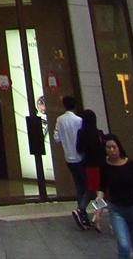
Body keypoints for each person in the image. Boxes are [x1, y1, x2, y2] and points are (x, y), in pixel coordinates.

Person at [92, 134, 133, 259]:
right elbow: (101, 188)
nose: (112, 150)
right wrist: (98, 209)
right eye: (108, 147)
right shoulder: (105, 166)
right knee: (124, 245)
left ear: (119, 147)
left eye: (114, 147)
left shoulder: (130, 164)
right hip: (116, 210)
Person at [52, 95, 88, 228]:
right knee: (87, 186)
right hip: (81, 157)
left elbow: (56, 138)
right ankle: (81, 210)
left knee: (79, 185)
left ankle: (81, 212)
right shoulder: (79, 120)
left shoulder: (60, 120)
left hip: (69, 157)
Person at [77, 108, 105, 223]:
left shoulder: (81, 133)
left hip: (87, 164)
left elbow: (79, 149)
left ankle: (82, 209)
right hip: (100, 165)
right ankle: (94, 214)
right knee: (100, 191)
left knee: (90, 190)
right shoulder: (99, 133)